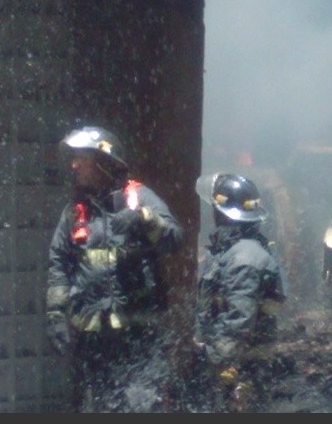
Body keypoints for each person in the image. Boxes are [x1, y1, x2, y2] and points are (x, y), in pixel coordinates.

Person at [45, 124, 185, 412]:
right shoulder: (75, 211)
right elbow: (59, 262)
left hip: (138, 336)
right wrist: (55, 313)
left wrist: (144, 219)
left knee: (138, 403)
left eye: (81, 158)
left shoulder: (138, 198)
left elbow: (174, 239)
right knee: (94, 404)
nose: (74, 165)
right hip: (93, 339)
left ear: (102, 161)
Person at [191, 172, 287, 412]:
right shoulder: (235, 250)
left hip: (240, 363)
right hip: (239, 359)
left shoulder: (243, 258)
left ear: (223, 213)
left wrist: (215, 357)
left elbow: (239, 320)